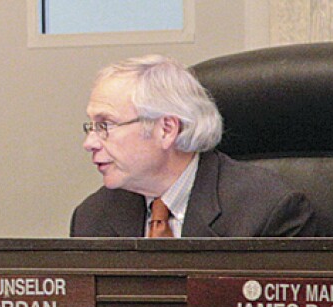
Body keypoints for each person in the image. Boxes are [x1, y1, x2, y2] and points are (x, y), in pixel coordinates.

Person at [70, 55, 315, 238]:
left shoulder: (269, 211)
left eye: (105, 125)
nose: (89, 143)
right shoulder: (92, 218)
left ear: (166, 129)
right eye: (90, 127)